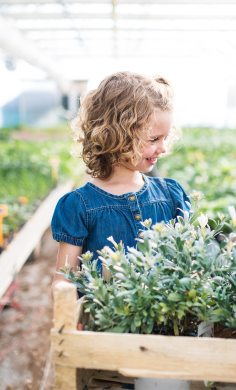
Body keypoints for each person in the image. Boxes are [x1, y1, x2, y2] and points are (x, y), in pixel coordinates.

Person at [51, 71, 190, 298]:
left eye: (165, 137)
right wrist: (67, 305)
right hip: (105, 326)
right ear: (116, 135)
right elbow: (64, 277)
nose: (163, 148)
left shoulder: (170, 195)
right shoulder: (79, 206)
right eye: (154, 139)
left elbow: (188, 262)